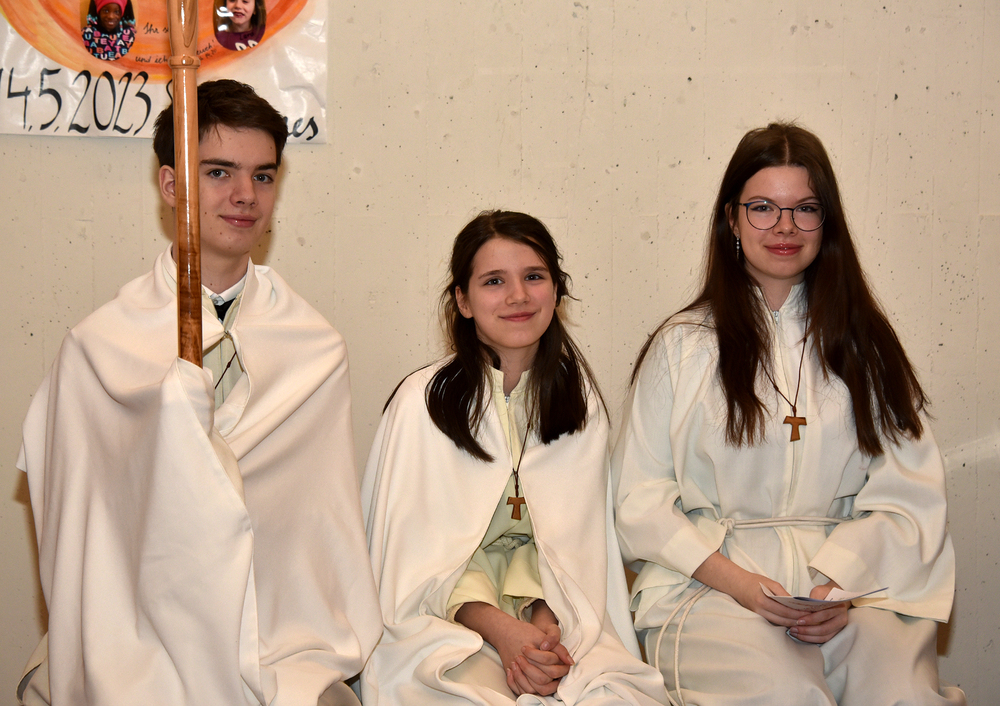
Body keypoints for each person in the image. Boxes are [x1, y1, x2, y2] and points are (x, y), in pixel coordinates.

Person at [16, 79, 381, 706]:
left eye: (263, 176)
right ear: (170, 185)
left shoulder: (315, 349)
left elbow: (319, 531)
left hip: (280, 635)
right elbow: (80, 527)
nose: (245, 196)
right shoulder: (101, 350)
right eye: (218, 172)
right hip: (138, 633)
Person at [612, 122, 965, 706]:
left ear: (827, 222)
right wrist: (741, 585)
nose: (784, 227)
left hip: (843, 590)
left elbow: (910, 496)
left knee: (900, 693)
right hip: (710, 585)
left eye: (805, 208)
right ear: (731, 219)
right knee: (784, 692)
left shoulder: (866, 348)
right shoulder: (682, 346)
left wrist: (841, 586)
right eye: (762, 208)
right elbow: (638, 499)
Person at [360, 211, 667, 705]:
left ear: (556, 291)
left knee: (614, 696)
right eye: (494, 281)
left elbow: (577, 551)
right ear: (463, 300)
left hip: (558, 619)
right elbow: (409, 571)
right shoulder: (422, 404)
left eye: (534, 277)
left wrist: (543, 621)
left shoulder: (580, 404)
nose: (518, 296)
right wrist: (501, 629)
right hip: (443, 624)